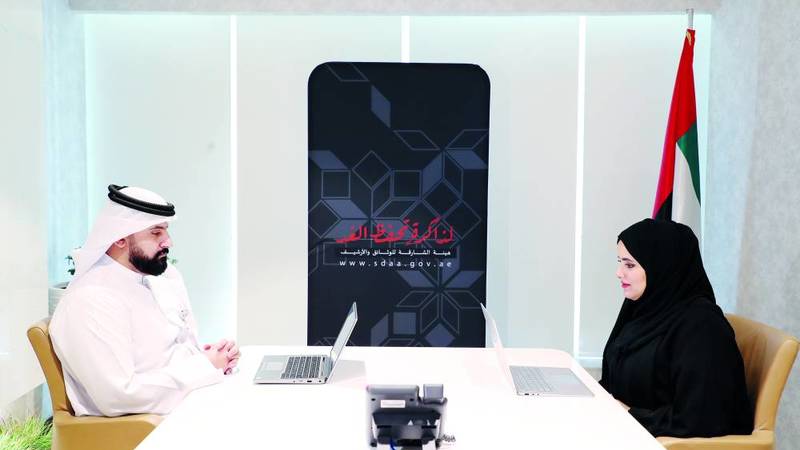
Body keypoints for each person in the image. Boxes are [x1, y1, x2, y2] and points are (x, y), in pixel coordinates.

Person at [50, 184, 240, 417]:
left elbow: (165, 353)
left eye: (166, 231)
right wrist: (204, 366)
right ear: (119, 238)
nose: (168, 242)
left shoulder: (159, 278)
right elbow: (119, 396)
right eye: (155, 233)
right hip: (149, 425)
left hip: (188, 402)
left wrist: (211, 356)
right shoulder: (91, 299)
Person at [600, 218, 752, 438]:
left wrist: (629, 415)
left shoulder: (702, 327)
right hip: (628, 432)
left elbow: (701, 419)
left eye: (629, 265)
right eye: (619, 262)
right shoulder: (642, 309)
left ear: (661, 266)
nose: (618, 273)